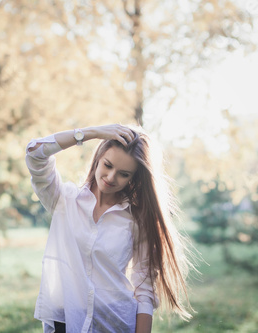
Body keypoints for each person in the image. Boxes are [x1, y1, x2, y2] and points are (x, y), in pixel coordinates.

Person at [26, 124, 193, 333]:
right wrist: (92, 134)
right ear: (98, 158)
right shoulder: (64, 200)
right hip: (66, 321)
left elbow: (144, 289)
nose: (111, 177)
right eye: (108, 165)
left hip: (115, 323)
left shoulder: (136, 219)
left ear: (134, 178)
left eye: (124, 174)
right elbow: (34, 153)